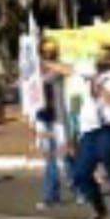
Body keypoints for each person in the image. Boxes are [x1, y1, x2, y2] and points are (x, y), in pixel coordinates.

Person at [71, 45, 110, 219]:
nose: (98, 60)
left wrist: (102, 91)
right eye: (97, 56)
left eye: (103, 57)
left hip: (109, 129)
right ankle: (100, 210)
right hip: (89, 131)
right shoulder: (90, 74)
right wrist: (43, 61)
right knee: (80, 174)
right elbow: (68, 68)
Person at [35, 39, 74, 209]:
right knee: (50, 157)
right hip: (44, 118)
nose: (48, 53)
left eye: (51, 51)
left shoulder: (56, 68)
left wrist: (46, 64)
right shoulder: (36, 71)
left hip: (58, 118)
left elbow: (68, 70)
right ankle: (51, 196)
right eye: (45, 51)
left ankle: (81, 189)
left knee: (65, 156)